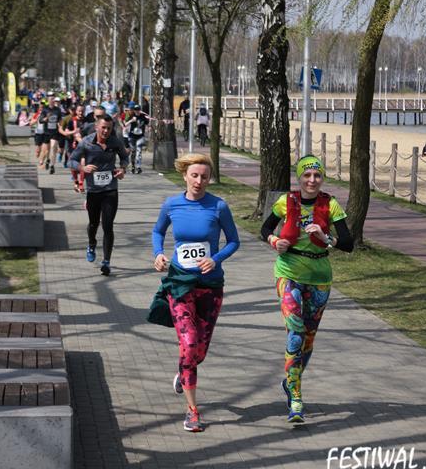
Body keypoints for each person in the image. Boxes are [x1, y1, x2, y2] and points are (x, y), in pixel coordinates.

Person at [260, 154, 353, 422]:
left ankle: (291, 380)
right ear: (299, 177)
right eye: (307, 175)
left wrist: (326, 238)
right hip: (288, 272)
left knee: (308, 339)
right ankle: (296, 398)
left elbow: (349, 243)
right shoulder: (286, 201)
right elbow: (265, 228)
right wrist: (274, 240)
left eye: (317, 175)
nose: (312, 180)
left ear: (322, 178)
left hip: (320, 276)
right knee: (295, 334)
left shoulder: (330, 204)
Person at [151, 153, 240, 432]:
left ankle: (183, 371)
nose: (199, 181)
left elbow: (234, 241)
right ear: (185, 176)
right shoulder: (171, 204)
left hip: (210, 286)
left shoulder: (219, 206)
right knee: (189, 344)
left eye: (204, 176)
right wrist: (158, 254)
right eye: (194, 175)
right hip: (180, 283)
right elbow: (157, 232)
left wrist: (216, 258)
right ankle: (192, 411)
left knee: (198, 351)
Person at [69, 113, 128, 276]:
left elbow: (125, 158)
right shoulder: (86, 142)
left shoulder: (115, 142)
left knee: (108, 226)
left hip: (110, 190)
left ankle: (106, 262)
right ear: (96, 127)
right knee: (93, 224)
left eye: (109, 128)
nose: (106, 131)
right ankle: (91, 244)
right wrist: (83, 168)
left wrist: (123, 169)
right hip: (93, 191)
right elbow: (71, 160)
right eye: (103, 128)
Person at [124, 103, 149, 173]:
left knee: (139, 151)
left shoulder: (143, 116)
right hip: (132, 136)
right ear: (134, 110)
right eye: (135, 110)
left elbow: (147, 123)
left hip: (140, 136)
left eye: (138, 109)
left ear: (140, 110)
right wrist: (131, 120)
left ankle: (138, 167)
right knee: (133, 152)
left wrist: (148, 128)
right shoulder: (131, 116)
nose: (137, 111)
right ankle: (133, 166)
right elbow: (125, 124)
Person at [44, 95, 63, 174]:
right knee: (47, 150)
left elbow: (60, 119)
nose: (52, 101)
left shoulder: (57, 110)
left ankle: (52, 166)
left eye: (53, 99)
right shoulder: (45, 109)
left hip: (55, 131)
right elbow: (41, 120)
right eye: (50, 99)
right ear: (48, 101)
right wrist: (46, 118)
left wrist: (60, 125)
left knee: (53, 147)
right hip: (47, 131)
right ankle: (47, 159)